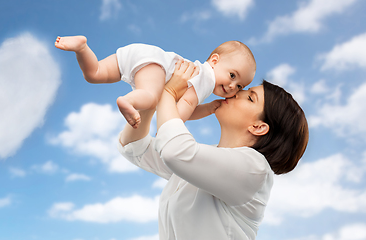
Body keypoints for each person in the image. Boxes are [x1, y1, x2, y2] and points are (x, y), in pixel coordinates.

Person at [118, 61, 309, 239]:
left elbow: (174, 151)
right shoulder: (205, 160)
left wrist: (168, 92)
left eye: (250, 98)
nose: (236, 92)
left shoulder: (254, 169)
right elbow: (135, 148)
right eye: (244, 89)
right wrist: (154, 94)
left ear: (258, 127)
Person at [55, 35, 256, 128]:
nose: (232, 87)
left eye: (239, 86)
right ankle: (128, 101)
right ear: (214, 61)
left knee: (94, 74)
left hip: (139, 53)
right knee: (151, 99)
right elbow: (181, 112)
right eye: (232, 75)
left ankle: (81, 48)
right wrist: (171, 129)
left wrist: (210, 108)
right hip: (155, 66)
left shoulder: (199, 86)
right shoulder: (206, 77)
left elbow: (188, 106)